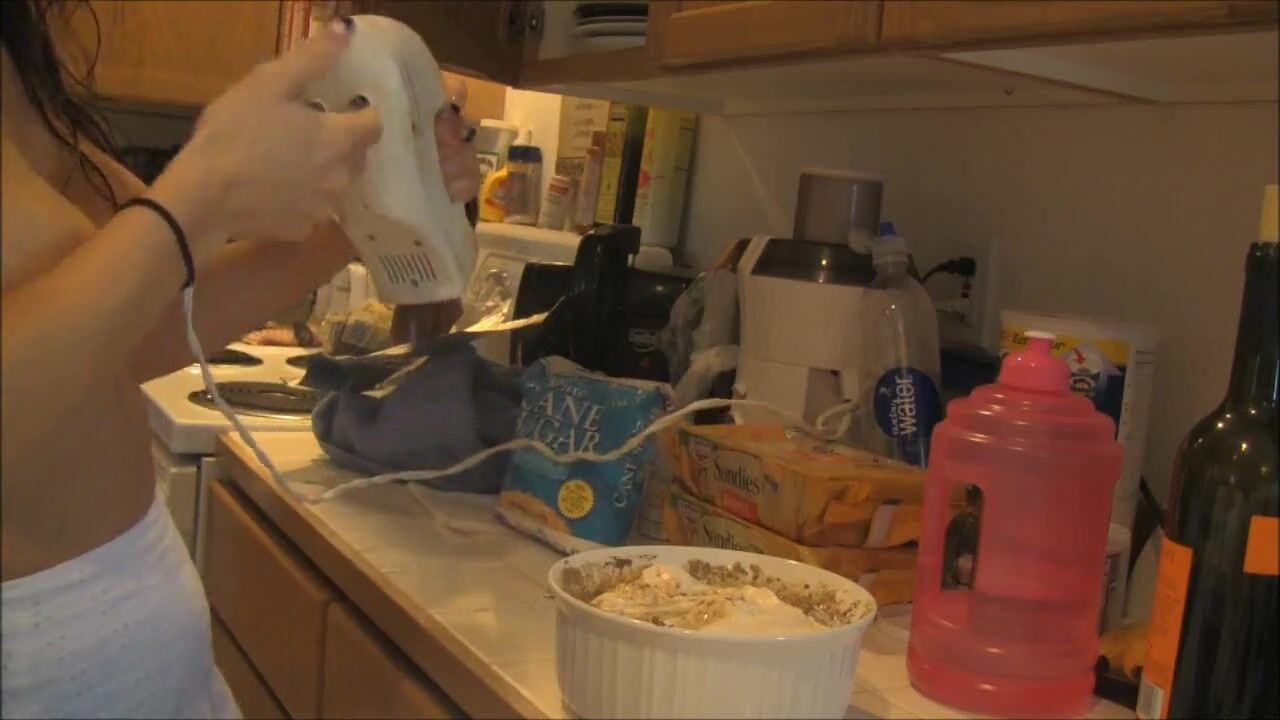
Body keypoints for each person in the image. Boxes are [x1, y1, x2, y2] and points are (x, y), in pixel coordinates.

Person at [0, 2, 480, 716]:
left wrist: (366, 208)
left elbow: (135, 326)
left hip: (132, 643)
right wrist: (204, 193)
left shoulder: (16, 55)